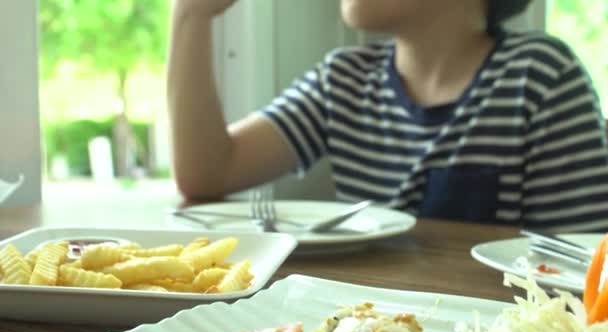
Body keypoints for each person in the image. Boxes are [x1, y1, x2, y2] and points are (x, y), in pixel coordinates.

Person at [167, 0, 608, 231]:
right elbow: (206, 173)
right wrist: (191, 14)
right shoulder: (343, 79)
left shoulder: (541, 76)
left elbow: (580, 259)